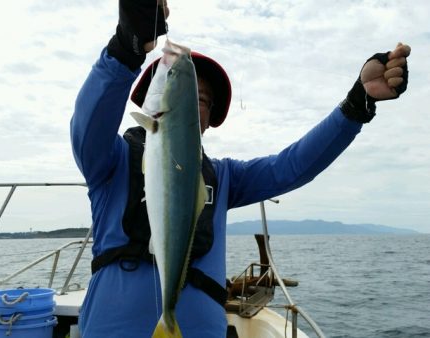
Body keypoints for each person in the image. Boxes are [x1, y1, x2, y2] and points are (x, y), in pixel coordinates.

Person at [70, 1, 410, 337]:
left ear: (209, 119)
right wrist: (126, 47)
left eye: (200, 99)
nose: (190, 101)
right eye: (184, 86)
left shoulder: (225, 176)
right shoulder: (110, 160)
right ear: (148, 98)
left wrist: (357, 103)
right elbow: (90, 120)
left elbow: (292, 166)